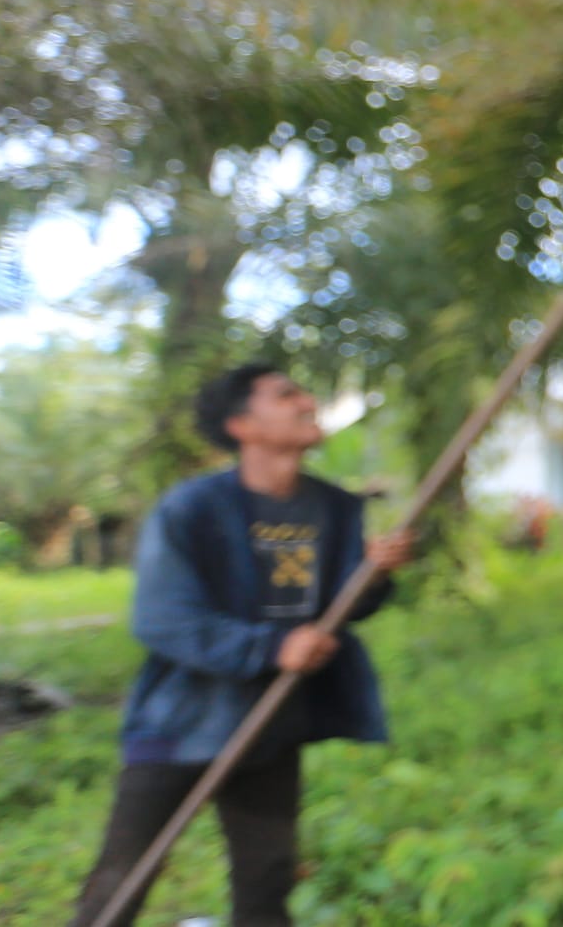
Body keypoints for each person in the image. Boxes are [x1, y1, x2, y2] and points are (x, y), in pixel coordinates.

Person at [71, 364, 414, 927]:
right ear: (242, 426)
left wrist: (373, 574)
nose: (307, 401)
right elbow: (163, 619)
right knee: (120, 882)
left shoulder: (334, 507)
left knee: (266, 881)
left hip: (271, 724)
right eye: (285, 395)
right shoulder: (192, 508)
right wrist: (270, 648)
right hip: (182, 723)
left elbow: (342, 608)